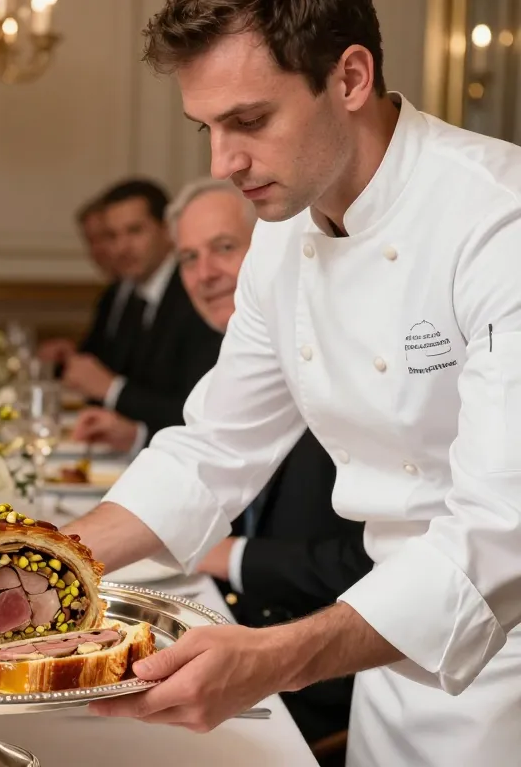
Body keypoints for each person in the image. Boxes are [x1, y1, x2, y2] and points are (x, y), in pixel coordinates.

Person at [65, 1, 521, 764]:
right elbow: (211, 450)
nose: (222, 163)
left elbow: (500, 535)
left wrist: (275, 656)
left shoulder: (497, 220)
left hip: (504, 665)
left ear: (349, 76)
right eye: (205, 128)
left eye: (249, 120)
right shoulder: (282, 237)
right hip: (381, 646)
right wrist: (37, 558)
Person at [79, 178, 370, 749]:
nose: (203, 272)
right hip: (242, 636)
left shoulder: (338, 367)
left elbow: (368, 563)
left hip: (325, 678)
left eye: (224, 248)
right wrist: (39, 558)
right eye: (189, 257)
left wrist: (228, 554)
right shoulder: (245, 354)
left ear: (271, 250)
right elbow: (205, 456)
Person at [61, 179, 221, 426]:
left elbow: (198, 412)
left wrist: (113, 390)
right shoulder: (131, 293)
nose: (121, 247)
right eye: (112, 236)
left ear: (168, 231)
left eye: (135, 231)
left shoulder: (198, 292)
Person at [38, 196, 130, 367]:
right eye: (90, 241)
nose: (97, 250)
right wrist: (68, 356)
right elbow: (97, 361)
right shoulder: (112, 295)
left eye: (105, 237)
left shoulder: (145, 296)